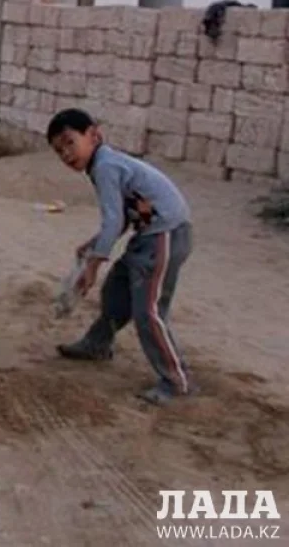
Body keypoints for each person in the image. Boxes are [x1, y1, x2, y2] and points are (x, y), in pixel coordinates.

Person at [46, 108, 195, 404]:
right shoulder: (103, 164)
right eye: (59, 150)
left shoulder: (105, 167)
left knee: (148, 311)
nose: (66, 154)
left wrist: (92, 265)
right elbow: (124, 216)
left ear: (94, 135)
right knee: (116, 290)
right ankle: (97, 344)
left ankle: (176, 380)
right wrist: (92, 245)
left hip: (164, 235)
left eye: (70, 142)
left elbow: (113, 222)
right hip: (149, 234)